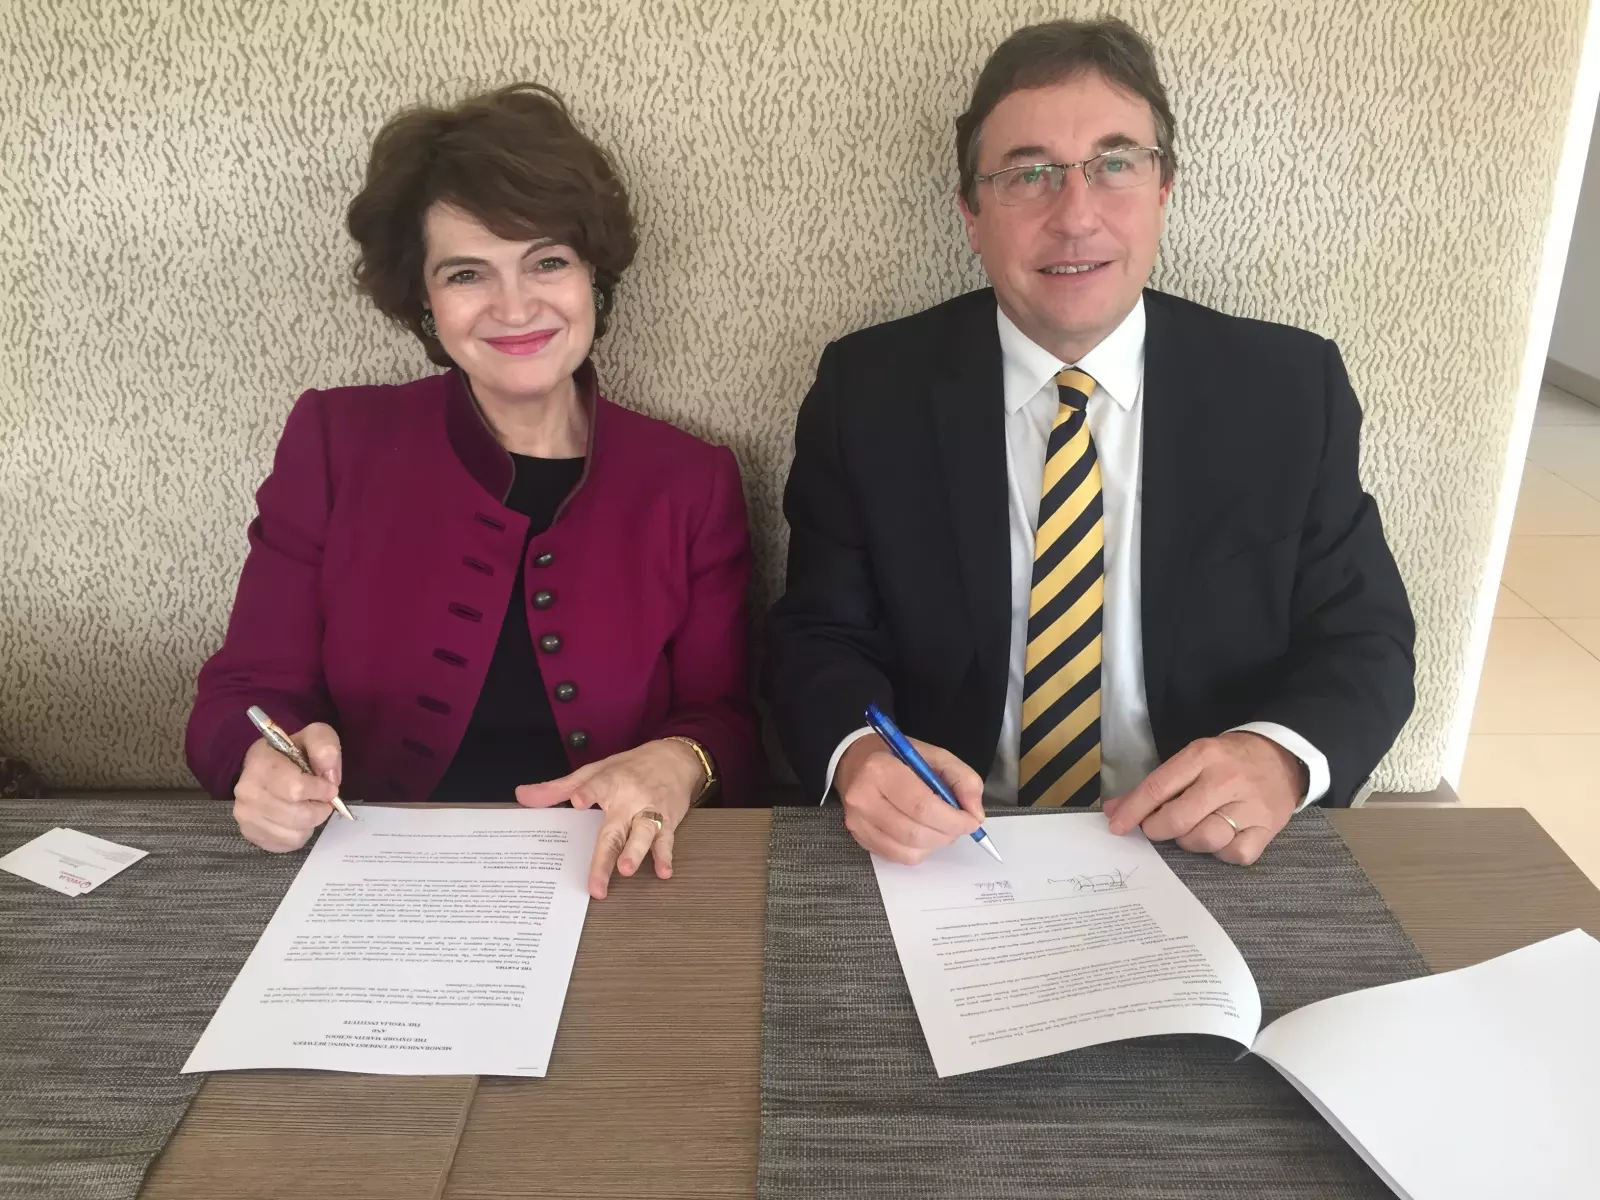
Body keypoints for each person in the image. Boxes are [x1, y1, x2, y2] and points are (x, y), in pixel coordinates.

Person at [764, 18, 1414, 867]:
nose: (1075, 217)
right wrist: (859, 756)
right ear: (971, 213)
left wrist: (1280, 758)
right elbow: (818, 635)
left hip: (1201, 843)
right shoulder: (867, 391)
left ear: (1164, 189)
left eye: (1115, 165)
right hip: (952, 849)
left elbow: (1365, 639)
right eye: (1028, 174)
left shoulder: (1288, 390)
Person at [187, 83, 758, 895]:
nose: (515, 307)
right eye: (466, 273)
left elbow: (726, 720)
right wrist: (259, 763)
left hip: (613, 877)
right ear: (423, 298)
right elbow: (242, 693)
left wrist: (679, 761)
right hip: (373, 878)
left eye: (548, 261)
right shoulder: (333, 441)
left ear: (593, 276)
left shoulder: (692, 479)